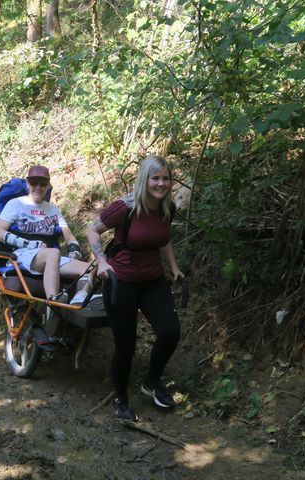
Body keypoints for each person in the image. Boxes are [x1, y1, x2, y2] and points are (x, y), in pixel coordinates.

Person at [86, 155, 184, 422]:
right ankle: (121, 398)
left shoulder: (167, 208)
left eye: (165, 178)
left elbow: (163, 240)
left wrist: (173, 267)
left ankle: (151, 382)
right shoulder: (124, 207)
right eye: (155, 178)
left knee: (170, 332)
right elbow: (93, 230)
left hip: (152, 279)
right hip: (121, 282)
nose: (161, 183)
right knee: (126, 344)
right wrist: (102, 262)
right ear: (145, 179)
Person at [0, 165, 94, 319]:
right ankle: (53, 304)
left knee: (90, 267)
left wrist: (75, 250)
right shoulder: (16, 204)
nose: (38, 187)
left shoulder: (53, 209)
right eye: (34, 182)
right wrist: (30, 244)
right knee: (53, 253)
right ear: (27, 184)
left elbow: (69, 235)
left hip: (49, 257)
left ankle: (79, 300)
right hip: (23, 255)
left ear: (48, 185)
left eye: (43, 183)